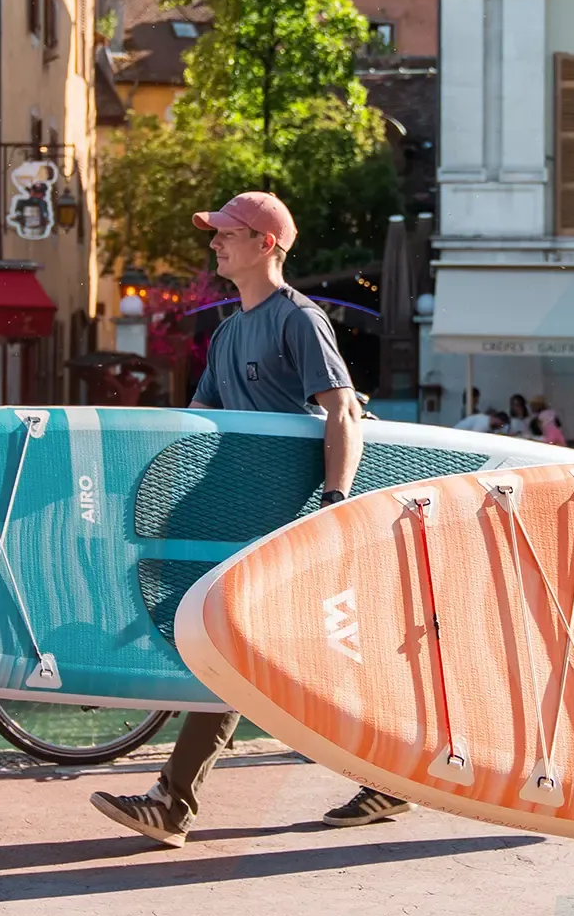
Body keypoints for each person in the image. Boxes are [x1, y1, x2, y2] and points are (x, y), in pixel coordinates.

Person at [88, 190, 411, 844]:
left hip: (292, 524)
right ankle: (390, 776)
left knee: (244, 652)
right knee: (262, 655)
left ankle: (174, 803)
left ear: (266, 244)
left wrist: (334, 506)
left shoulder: (299, 319)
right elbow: (200, 427)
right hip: (238, 521)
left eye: (226, 233)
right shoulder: (229, 332)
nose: (214, 243)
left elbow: (343, 411)